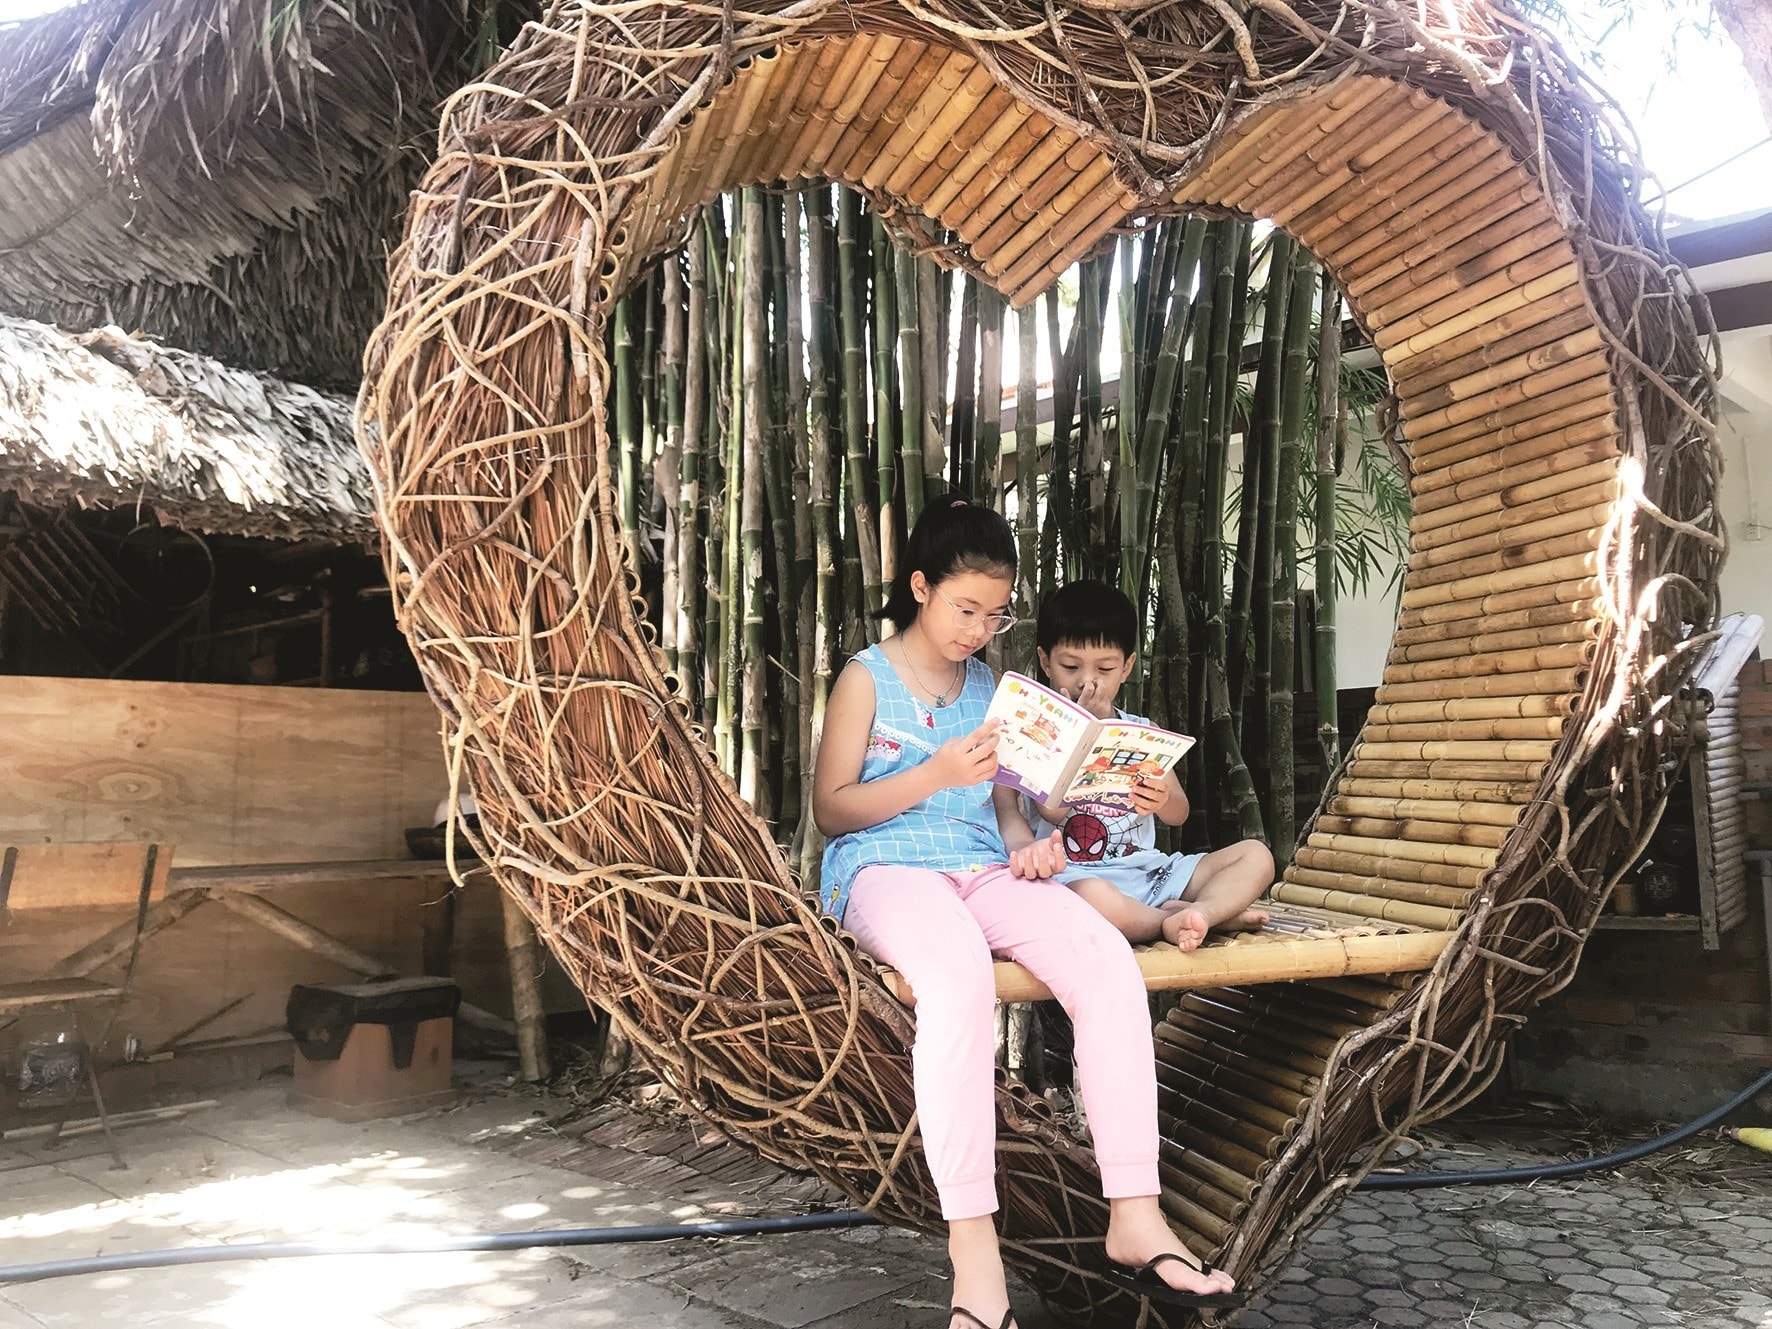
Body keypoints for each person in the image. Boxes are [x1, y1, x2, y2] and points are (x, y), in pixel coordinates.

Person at [813, 497, 1239, 1329]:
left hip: (983, 865)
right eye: (964, 608)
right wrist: (933, 775)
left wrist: (1031, 845)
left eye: (994, 612)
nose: (978, 627)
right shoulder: (865, 676)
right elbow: (831, 809)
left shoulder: (998, 692)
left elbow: (1009, 808)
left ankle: (1135, 1215)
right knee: (958, 977)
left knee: (1104, 959)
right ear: (921, 587)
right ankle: (977, 1267)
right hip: (886, 867)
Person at [1001, 580, 1272, 952]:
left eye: (1105, 668)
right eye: (1070, 666)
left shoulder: (1144, 732)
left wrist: (1159, 799)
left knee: (1256, 855)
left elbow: (1179, 813)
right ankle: (1179, 919)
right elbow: (1050, 811)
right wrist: (1080, 736)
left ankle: (1204, 912)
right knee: (1094, 901)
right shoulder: (1039, 732)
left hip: (1150, 872)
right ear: (1046, 660)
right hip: (1078, 878)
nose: (1087, 680)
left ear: (1127, 666)